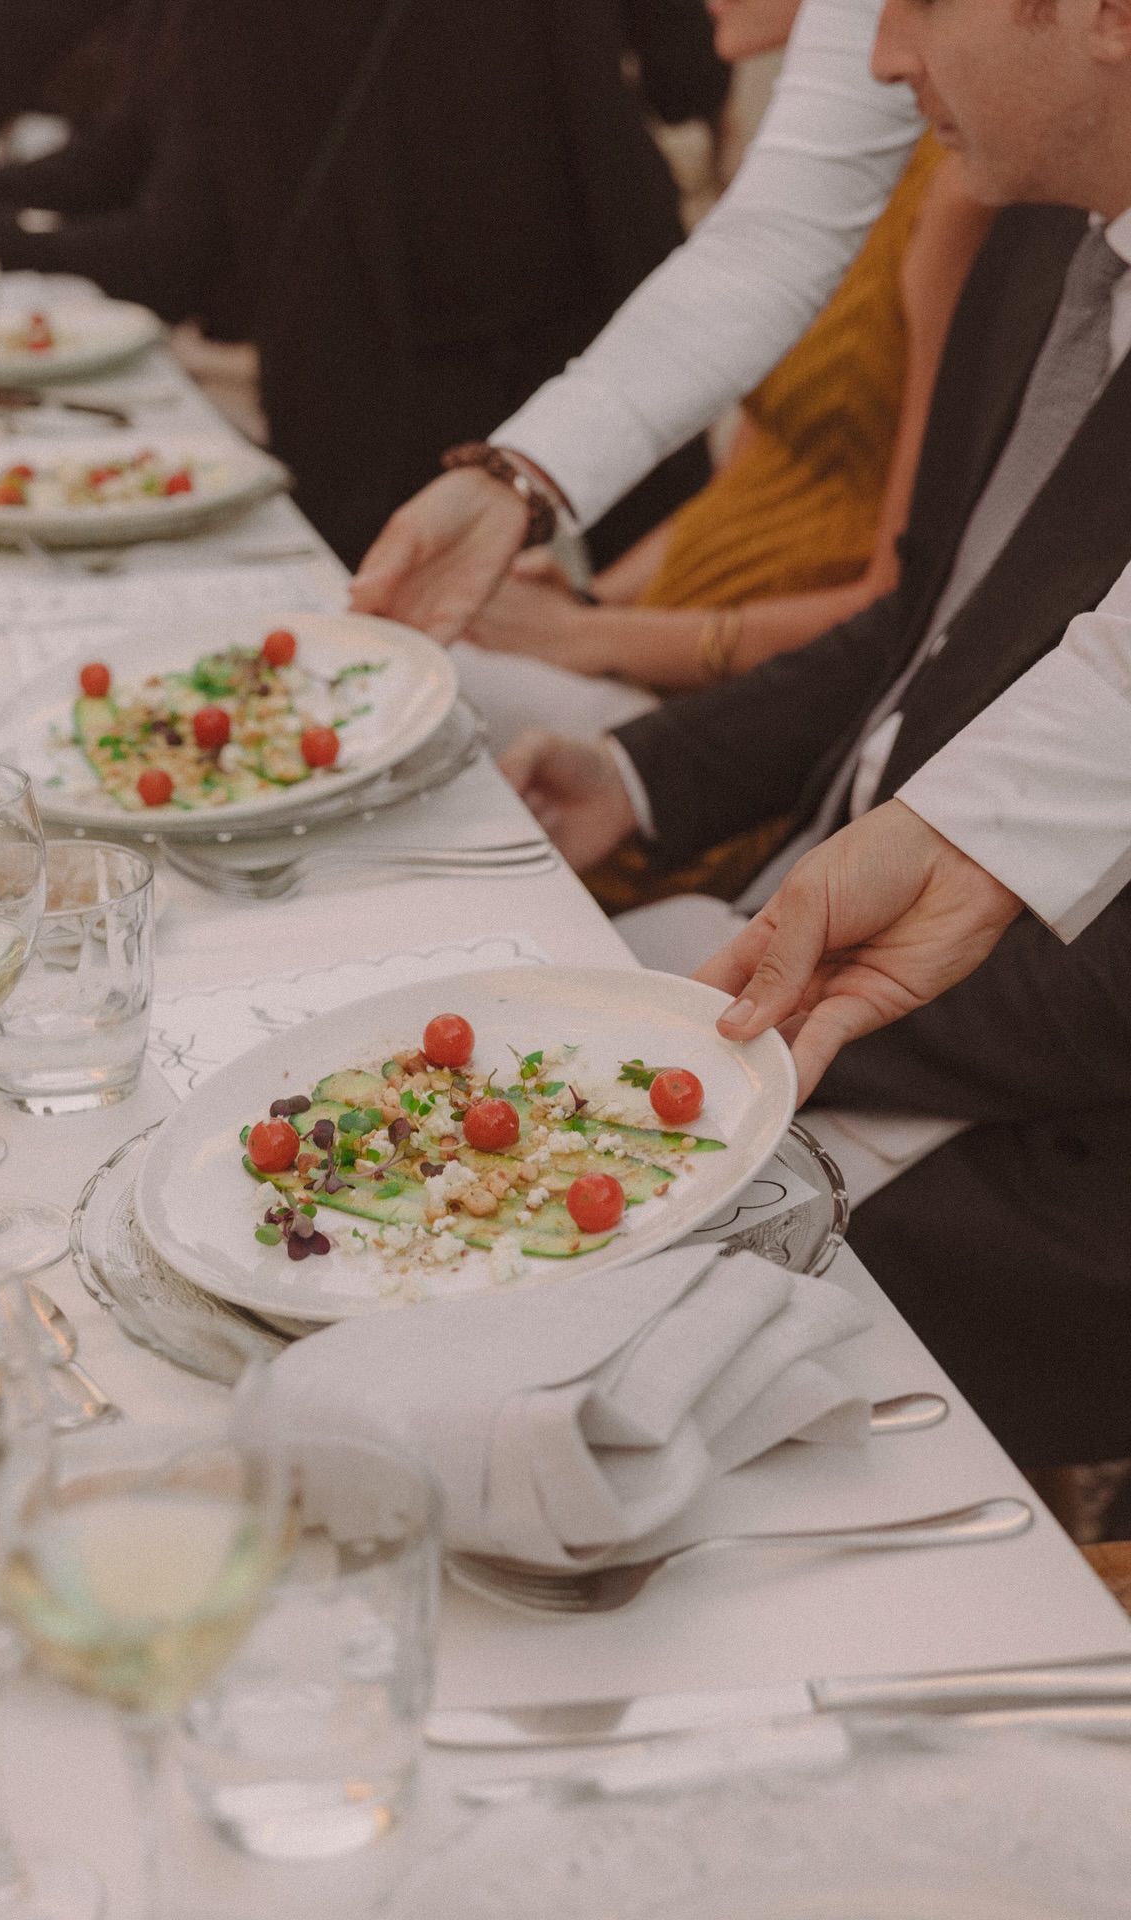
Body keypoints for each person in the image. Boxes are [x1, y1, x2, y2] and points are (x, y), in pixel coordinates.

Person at [501, 0, 1131, 1473]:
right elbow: (923, 626)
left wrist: (799, 1006)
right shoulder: (1040, 238)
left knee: (573, 1341)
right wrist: (643, 776)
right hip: (871, 965)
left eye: (924, 2)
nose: (885, 58)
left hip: (1054, 1122)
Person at [0, 0, 732, 568]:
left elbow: (692, 59)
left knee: (609, 594)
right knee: (406, 608)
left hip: (516, 285)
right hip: (386, 296)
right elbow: (686, 70)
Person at [457, 118, 989, 702]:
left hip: (763, 695)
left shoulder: (961, 191)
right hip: (663, 640)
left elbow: (895, 604)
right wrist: (589, 602)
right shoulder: (836, 153)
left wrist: (588, 637)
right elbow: (743, 487)